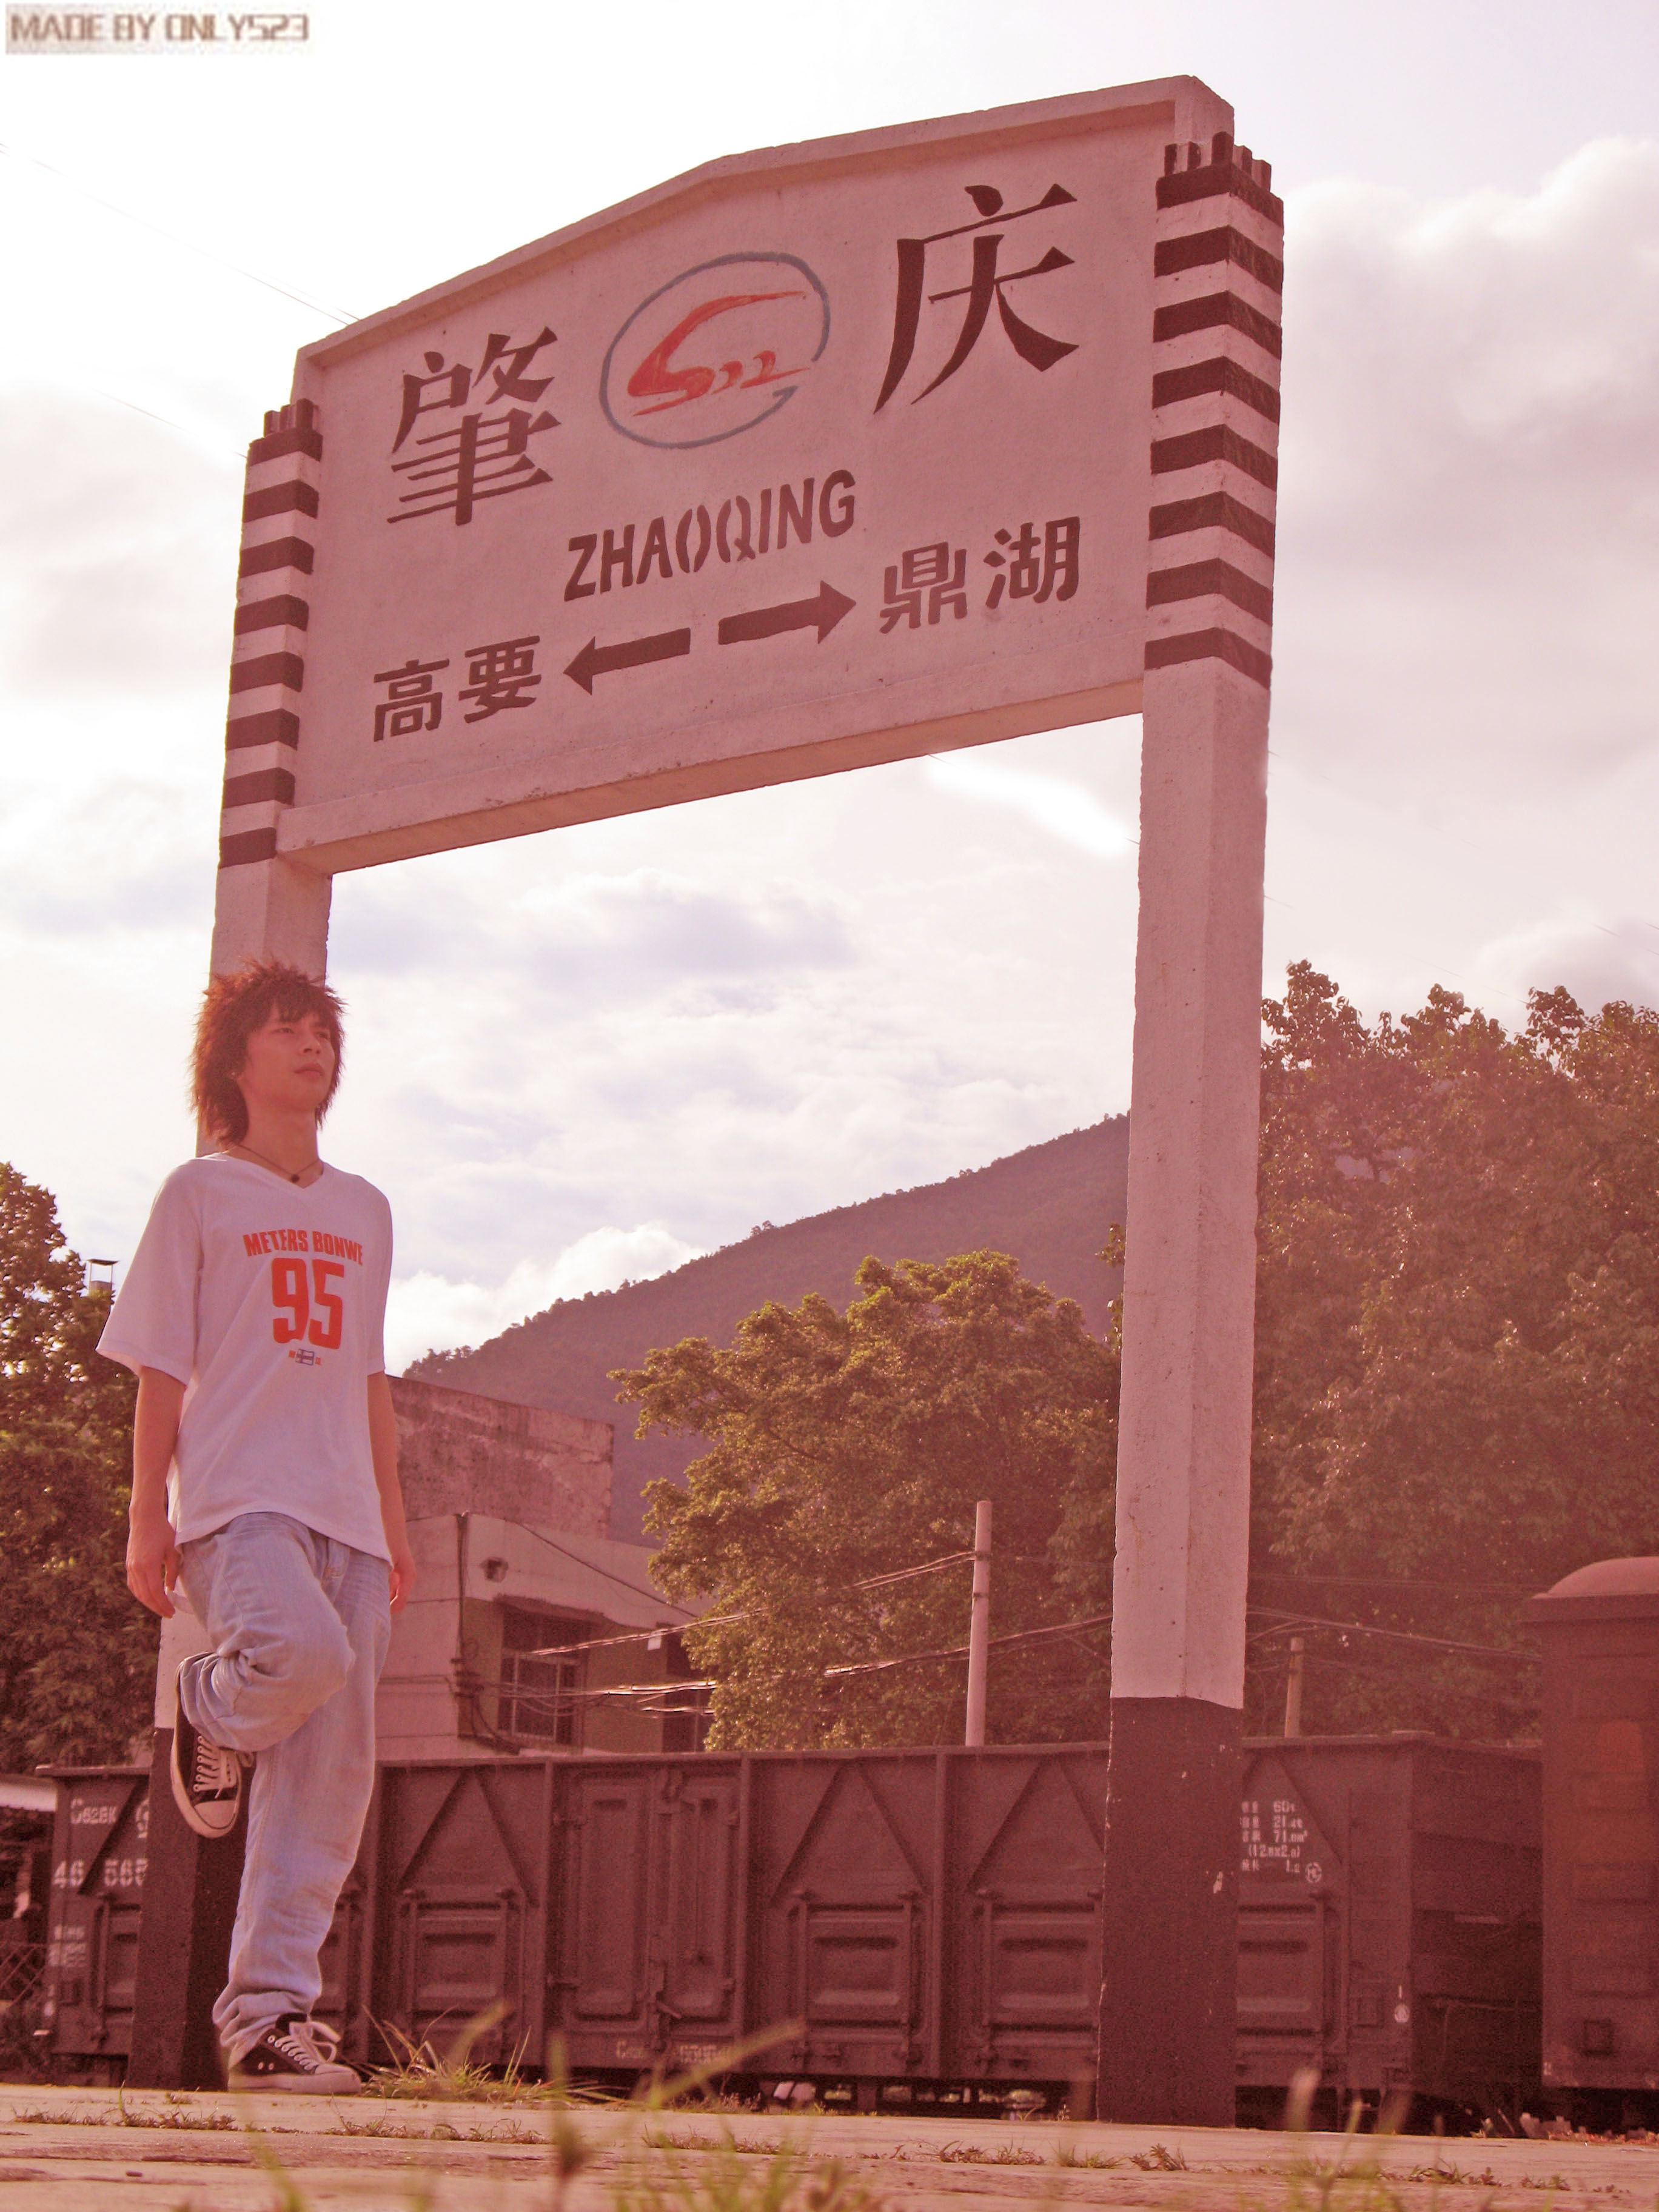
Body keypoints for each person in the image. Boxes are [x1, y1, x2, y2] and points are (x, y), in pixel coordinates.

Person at [99, 958, 417, 2094]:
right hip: (238, 1501)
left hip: (351, 1515)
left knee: (331, 1783)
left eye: (321, 1031)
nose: (311, 1045)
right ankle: (211, 1709)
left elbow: (369, 1377)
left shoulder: (365, 1208)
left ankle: (269, 2023)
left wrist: (394, 1521)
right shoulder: (200, 1193)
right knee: (299, 1653)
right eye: (284, 1030)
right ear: (234, 1061)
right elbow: (159, 1366)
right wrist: (148, 1514)